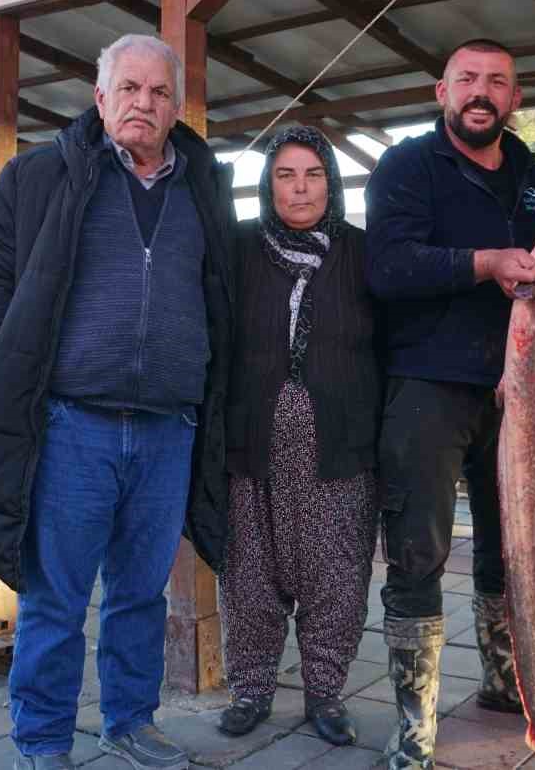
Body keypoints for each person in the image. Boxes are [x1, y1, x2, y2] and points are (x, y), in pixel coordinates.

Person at [0, 33, 236, 770]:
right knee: (55, 597)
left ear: (177, 107)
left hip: (167, 429)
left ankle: (130, 720)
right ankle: (44, 740)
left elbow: (224, 294)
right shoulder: (43, 176)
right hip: (71, 424)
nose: (143, 104)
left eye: (158, 93)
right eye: (129, 89)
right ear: (100, 97)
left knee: (141, 595)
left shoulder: (202, 188)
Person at [365, 38, 535, 770]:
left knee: (514, 546)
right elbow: (389, 267)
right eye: (467, 79)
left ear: (515, 98)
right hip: (426, 387)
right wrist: (483, 263)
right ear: (442, 92)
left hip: (517, 394)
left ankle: (505, 680)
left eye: (497, 81)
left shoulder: (530, 174)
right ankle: (414, 721)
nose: (481, 92)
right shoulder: (406, 167)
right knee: (418, 550)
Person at [214, 125, 380, 747]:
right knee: (251, 575)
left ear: (331, 183)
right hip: (253, 443)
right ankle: (251, 690)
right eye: (285, 174)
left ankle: (325, 694)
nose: (300, 187)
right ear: (267, 185)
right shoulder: (237, 250)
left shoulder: (362, 254)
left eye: (312, 174)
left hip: (338, 445)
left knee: (335, 576)